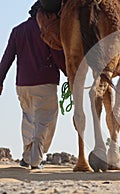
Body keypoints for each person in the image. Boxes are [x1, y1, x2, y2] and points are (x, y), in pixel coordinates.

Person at [0, 1, 66, 170]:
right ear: (43, 13)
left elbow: (6, 58)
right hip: (45, 82)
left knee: (28, 120)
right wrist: (71, 75)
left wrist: (0, 81)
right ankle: (36, 160)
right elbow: (58, 57)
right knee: (45, 122)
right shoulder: (47, 29)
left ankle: (26, 157)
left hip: (22, 84)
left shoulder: (17, 30)